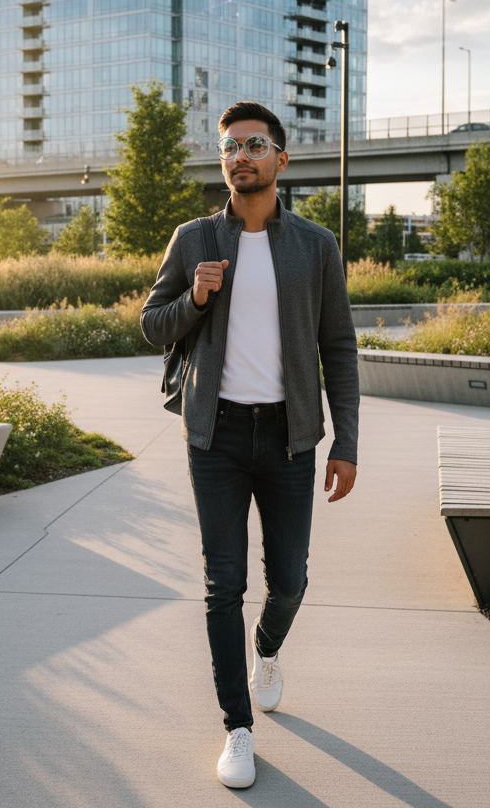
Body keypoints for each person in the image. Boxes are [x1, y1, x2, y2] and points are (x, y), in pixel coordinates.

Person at [141, 102, 359, 789]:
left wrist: (344, 442)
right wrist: (196, 302)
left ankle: (267, 650)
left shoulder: (317, 246)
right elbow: (152, 327)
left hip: (292, 437)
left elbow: (339, 350)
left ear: (281, 160)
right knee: (222, 584)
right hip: (218, 436)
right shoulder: (194, 238)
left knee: (289, 580)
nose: (241, 155)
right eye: (230, 147)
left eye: (255, 144)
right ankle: (237, 727)